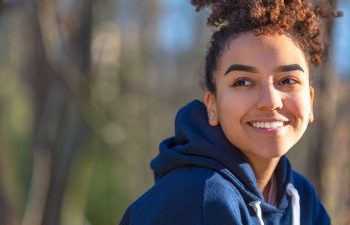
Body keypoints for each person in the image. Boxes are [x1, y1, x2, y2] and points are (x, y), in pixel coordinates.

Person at [119, 1, 341, 224]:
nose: (270, 101)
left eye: (287, 80)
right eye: (243, 82)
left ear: (310, 101)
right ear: (212, 105)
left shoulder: (301, 197)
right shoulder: (202, 199)